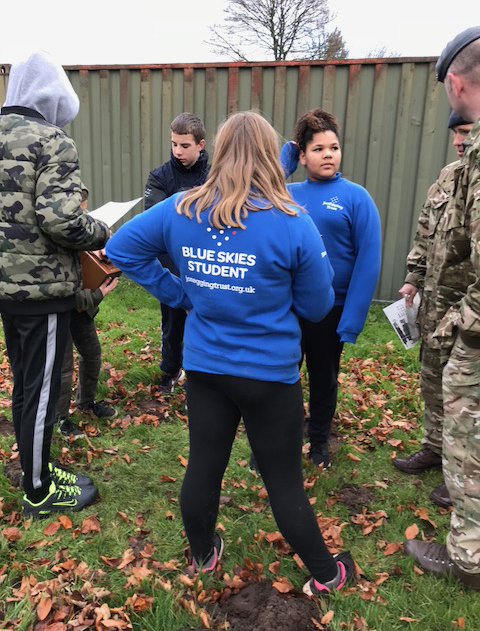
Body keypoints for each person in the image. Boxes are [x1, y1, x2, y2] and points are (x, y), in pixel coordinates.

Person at [107, 111, 355, 596]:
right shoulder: (291, 221)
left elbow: (122, 246)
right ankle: (328, 574)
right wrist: (180, 294)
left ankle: (203, 555)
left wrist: (181, 290)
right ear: (271, 154)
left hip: (206, 368)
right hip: (268, 375)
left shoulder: (183, 208)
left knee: (204, 464)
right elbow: (318, 305)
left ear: (217, 150)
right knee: (283, 480)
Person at [0, 52, 110, 516]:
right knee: (42, 389)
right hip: (41, 290)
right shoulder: (52, 140)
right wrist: (101, 231)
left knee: (25, 387)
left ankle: (36, 467)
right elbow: (61, 219)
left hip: (5, 289)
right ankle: (40, 491)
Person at [404, 26, 480, 590]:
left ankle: (468, 556)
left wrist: (456, 323)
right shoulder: (454, 175)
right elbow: (433, 239)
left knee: (468, 427)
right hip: (448, 309)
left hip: (470, 322)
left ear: (455, 82)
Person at [280, 109, 382, 468]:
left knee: (323, 379)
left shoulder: (356, 198)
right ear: (302, 154)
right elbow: (253, 197)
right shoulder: (286, 193)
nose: (328, 154)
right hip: (289, 307)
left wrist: (351, 318)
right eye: (317, 148)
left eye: (334, 147)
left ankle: (320, 441)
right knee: (283, 379)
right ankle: (282, 443)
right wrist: (283, 163)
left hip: (332, 311)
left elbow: (369, 260)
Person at [394, 112, 474, 509]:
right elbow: (425, 231)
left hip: (468, 310)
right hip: (435, 305)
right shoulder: (446, 177)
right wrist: (413, 275)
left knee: (465, 395)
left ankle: (460, 474)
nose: (460, 140)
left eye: (466, 131)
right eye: (456, 133)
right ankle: (434, 449)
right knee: (433, 381)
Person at [144, 113, 209, 393]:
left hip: (208, 264)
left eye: (184, 145)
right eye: (174, 145)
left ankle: (204, 375)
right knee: (172, 325)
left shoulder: (216, 175)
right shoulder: (159, 177)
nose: (178, 152)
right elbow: (157, 222)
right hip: (171, 266)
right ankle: (170, 371)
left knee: (206, 322)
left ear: (201, 144)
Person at [56, 187, 119, 440]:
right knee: (62, 367)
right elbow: (63, 292)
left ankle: (86, 402)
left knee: (91, 354)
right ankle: (59, 419)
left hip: (82, 310)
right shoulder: (55, 236)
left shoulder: (84, 230)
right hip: (61, 309)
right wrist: (97, 295)